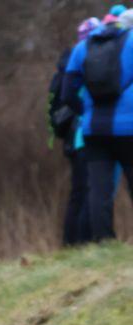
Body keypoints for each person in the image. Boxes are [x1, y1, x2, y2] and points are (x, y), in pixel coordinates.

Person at [63, 5, 133, 242]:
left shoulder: (82, 47)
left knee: (99, 190)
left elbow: (67, 93)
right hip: (129, 128)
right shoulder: (131, 42)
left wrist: (86, 112)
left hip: (93, 129)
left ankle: (103, 241)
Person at [51, 17, 99, 246]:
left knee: (78, 192)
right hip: (82, 136)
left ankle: (70, 243)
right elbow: (76, 99)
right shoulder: (84, 63)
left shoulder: (65, 66)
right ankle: (81, 243)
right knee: (87, 190)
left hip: (70, 136)